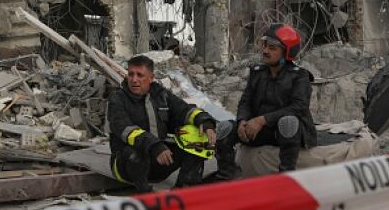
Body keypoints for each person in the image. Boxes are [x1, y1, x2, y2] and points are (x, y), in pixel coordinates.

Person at [209, 24, 316, 180]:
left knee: (288, 122)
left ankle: (286, 176)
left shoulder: (300, 76)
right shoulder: (257, 72)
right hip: (259, 131)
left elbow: (298, 108)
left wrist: (261, 120)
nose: (265, 51)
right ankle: (226, 175)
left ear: (286, 52)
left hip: (284, 132)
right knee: (225, 128)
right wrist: (242, 121)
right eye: (265, 45)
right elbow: (246, 101)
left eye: (272, 48)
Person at [108, 54, 217, 192]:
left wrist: (204, 121)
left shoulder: (161, 95)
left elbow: (184, 111)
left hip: (158, 161)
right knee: (136, 153)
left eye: (140, 75)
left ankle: (184, 191)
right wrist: (154, 145)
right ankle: (146, 196)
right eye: (131, 74)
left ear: (151, 78)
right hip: (126, 165)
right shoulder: (117, 99)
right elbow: (125, 129)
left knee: (196, 141)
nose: (134, 79)